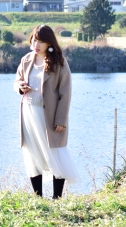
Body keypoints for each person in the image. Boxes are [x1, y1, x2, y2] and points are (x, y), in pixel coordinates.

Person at [14, 24, 79, 199]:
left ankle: (57, 198)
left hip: (48, 116)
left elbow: (65, 94)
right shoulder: (27, 59)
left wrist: (61, 120)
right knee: (31, 154)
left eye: (41, 41)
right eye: (35, 40)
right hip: (28, 112)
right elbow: (17, 81)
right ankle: (38, 198)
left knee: (54, 153)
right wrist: (20, 87)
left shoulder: (60, 63)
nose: (36, 44)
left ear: (49, 43)